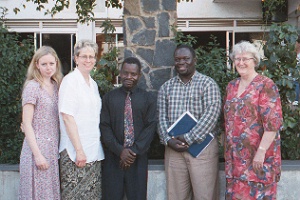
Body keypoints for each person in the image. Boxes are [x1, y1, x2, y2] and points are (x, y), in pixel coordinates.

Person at [157, 44, 222, 200]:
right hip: (174, 150)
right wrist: (168, 140)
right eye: (177, 59)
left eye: (186, 58)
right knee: (176, 196)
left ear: (194, 60)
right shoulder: (166, 88)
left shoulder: (208, 84)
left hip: (202, 148)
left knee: (205, 195)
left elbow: (211, 115)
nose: (181, 62)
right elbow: (161, 118)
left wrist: (188, 137)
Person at [224, 41, 283, 199]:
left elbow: (273, 124)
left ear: (255, 61)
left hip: (259, 158)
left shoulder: (266, 85)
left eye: (245, 59)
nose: (241, 62)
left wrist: (261, 152)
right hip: (235, 160)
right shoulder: (231, 86)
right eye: (237, 59)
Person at [100, 57, 157, 200]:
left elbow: (151, 127)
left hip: (138, 159)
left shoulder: (148, 98)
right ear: (120, 73)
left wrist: (132, 151)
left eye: (133, 74)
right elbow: (104, 126)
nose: (129, 77)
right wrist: (120, 151)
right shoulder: (109, 97)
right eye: (126, 73)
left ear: (139, 75)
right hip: (113, 159)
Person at [58, 40, 104, 199]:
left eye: (91, 56)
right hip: (75, 152)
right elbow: (67, 117)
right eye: (84, 56)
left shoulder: (93, 84)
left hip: (93, 150)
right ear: (75, 58)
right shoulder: (70, 81)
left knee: (92, 196)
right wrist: (79, 151)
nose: (88, 60)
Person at [19, 46, 63, 199]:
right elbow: (26, 123)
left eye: (51, 63)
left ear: (56, 63)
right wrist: (37, 155)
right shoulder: (33, 87)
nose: (48, 67)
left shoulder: (57, 86)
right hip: (35, 150)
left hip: (52, 150)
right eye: (44, 64)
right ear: (36, 64)